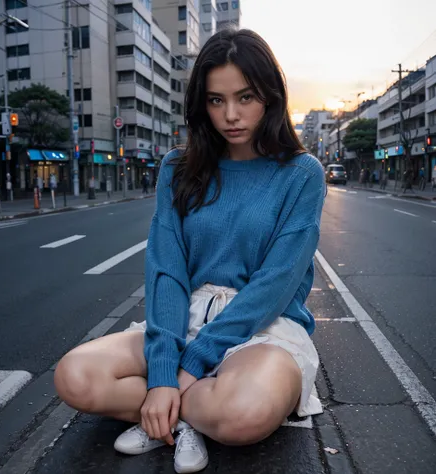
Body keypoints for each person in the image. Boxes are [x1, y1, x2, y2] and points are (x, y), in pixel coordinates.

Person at [54, 28, 325, 474]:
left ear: (272, 97)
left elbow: (276, 284)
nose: (231, 115)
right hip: (188, 315)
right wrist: (163, 371)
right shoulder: (177, 168)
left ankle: (166, 414)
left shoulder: (301, 173)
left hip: (264, 324)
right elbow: (167, 270)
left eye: (246, 97)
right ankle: (187, 421)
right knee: (74, 376)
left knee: (245, 412)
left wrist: (185, 371)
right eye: (216, 101)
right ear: (202, 105)